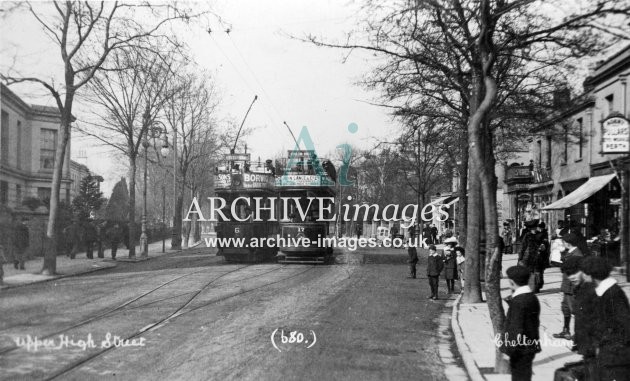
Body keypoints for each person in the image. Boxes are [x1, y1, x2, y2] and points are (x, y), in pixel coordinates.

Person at [582, 256, 630, 380]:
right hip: (609, 356)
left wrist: (607, 346)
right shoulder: (605, 292)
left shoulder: (612, 294)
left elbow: (624, 325)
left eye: (585, 273)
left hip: (615, 359)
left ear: (592, 275)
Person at [500, 265, 541, 381]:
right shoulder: (532, 297)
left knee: (519, 377)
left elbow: (515, 328)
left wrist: (508, 351)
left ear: (512, 282)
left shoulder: (518, 301)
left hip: (519, 350)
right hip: (530, 346)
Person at [561, 256, 598, 380]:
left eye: (574, 273)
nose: (571, 277)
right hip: (588, 348)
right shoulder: (580, 288)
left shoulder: (594, 290)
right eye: (568, 274)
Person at [553, 232, 584, 340]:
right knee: (565, 308)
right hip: (567, 285)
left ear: (568, 243)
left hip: (572, 287)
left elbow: (577, 272)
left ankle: (578, 334)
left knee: (574, 310)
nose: (563, 243)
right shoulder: (570, 252)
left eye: (564, 242)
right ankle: (566, 330)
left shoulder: (577, 254)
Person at [518, 220, 544, 293]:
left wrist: (542, 246)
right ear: (531, 229)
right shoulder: (527, 236)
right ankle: (531, 288)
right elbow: (523, 247)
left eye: (535, 228)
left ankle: (536, 287)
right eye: (534, 228)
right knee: (530, 273)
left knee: (537, 272)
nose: (535, 229)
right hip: (528, 257)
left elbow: (544, 244)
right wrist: (520, 258)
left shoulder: (540, 235)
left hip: (537, 257)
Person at [536, 222, 550, 290]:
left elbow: (544, 244)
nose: (539, 228)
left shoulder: (544, 234)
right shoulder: (542, 233)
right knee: (540, 271)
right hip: (542, 255)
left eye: (540, 227)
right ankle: (539, 284)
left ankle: (538, 284)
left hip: (541, 255)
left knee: (539, 271)